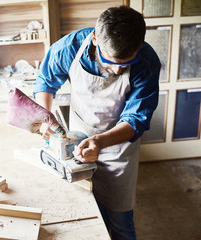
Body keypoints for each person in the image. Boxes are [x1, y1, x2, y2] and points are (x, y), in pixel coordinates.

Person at [33, 6, 160, 240]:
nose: (116, 70)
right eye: (109, 61)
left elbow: (136, 119)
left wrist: (100, 142)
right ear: (94, 38)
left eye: (125, 64)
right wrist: (44, 113)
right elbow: (45, 81)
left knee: (120, 222)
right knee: (87, 216)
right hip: (76, 144)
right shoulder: (70, 47)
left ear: (139, 46)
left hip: (119, 147)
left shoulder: (147, 63)